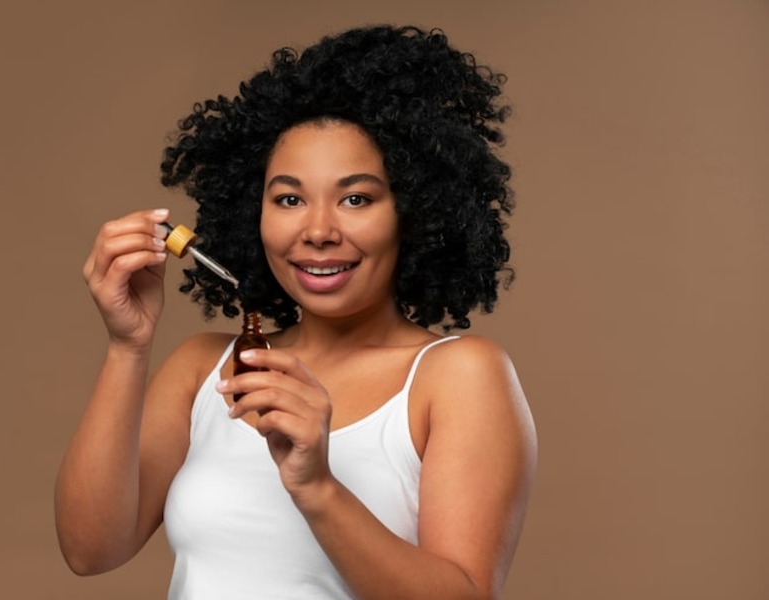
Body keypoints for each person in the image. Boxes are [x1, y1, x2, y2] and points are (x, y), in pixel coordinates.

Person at [55, 24, 537, 600]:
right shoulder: (203, 369)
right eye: (289, 198)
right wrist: (127, 346)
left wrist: (317, 488)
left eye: (356, 198)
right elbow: (90, 550)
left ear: (414, 211)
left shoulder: (458, 375)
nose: (318, 231)